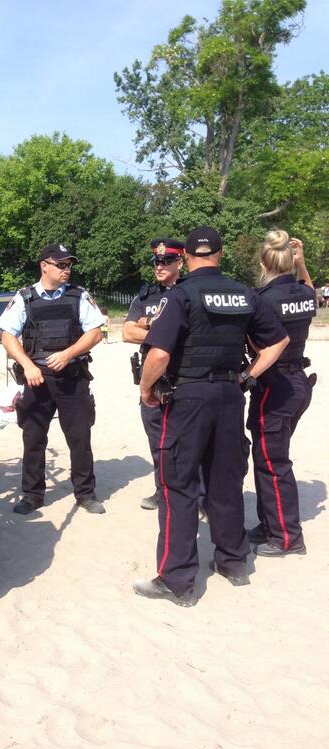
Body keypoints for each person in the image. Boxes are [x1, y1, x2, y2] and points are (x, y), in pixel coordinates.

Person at [133, 226, 289, 607]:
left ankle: (177, 580)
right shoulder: (244, 293)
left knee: (178, 485)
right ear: (220, 254)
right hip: (230, 395)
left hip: (188, 398)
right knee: (224, 481)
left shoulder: (182, 295)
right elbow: (279, 340)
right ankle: (234, 562)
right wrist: (248, 376)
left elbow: (158, 355)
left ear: (186, 256)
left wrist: (145, 390)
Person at [0, 243, 106, 515]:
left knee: (79, 437)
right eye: (61, 264)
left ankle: (85, 494)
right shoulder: (25, 297)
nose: (66, 270)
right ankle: (32, 495)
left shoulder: (79, 296)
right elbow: (7, 336)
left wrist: (69, 353)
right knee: (33, 437)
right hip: (37, 379)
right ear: (44, 265)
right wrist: (27, 365)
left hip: (72, 377)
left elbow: (95, 333)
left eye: (69, 264)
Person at [246, 232, 316, 557]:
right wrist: (302, 265)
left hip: (274, 385)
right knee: (267, 457)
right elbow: (311, 292)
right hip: (299, 382)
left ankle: (288, 537)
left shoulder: (262, 299)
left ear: (263, 262)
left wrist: (246, 375)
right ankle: (270, 524)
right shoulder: (303, 291)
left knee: (273, 462)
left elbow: (261, 345)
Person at [123, 238, 183, 510]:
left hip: (183, 378)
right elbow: (127, 332)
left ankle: (199, 497)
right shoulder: (146, 296)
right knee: (158, 443)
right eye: (156, 261)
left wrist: (153, 329)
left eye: (166, 261)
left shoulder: (187, 292)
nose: (159, 266)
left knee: (188, 443)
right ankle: (163, 492)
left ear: (180, 262)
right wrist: (161, 329)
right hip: (153, 379)